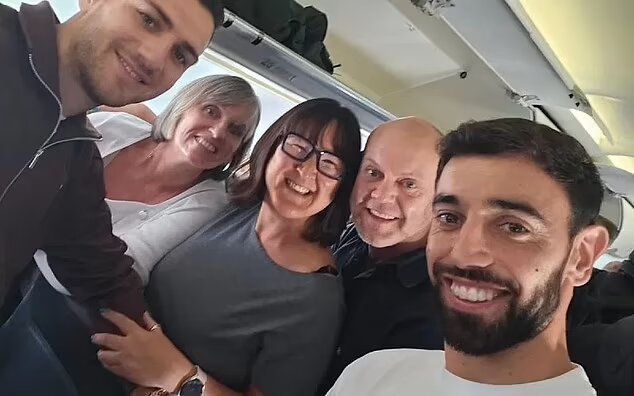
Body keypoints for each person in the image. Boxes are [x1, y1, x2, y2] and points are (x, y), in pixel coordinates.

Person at [91, 98, 363, 396]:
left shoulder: (315, 301)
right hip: (87, 353)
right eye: (298, 147)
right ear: (272, 146)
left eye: (329, 164)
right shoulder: (232, 206)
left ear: (341, 186)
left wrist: (179, 377)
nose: (306, 171)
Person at [327, 117, 611, 395]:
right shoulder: (370, 373)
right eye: (449, 217)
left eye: (514, 227)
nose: (463, 254)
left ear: (582, 257)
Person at [0, 0, 223, 326]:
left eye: (180, 55)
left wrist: (163, 365)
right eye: (148, 20)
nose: (153, 58)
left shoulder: (75, 157)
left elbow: (98, 268)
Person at [38, 75, 261, 288]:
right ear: (183, 107)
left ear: (237, 150)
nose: (217, 132)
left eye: (235, 130)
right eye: (211, 111)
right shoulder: (112, 125)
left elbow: (116, 266)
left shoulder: (209, 203)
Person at [319, 117, 444, 391]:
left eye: (408, 184)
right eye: (373, 173)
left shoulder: (438, 310)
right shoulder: (350, 237)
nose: (381, 196)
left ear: (439, 197)